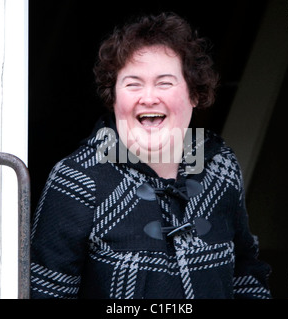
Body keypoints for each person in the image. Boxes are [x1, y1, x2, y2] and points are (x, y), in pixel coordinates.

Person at [30, 12, 271, 299]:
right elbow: (46, 293)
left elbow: (246, 273)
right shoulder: (78, 178)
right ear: (114, 97)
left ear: (194, 94)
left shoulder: (221, 165)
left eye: (165, 83)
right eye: (133, 84)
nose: (148, 97)